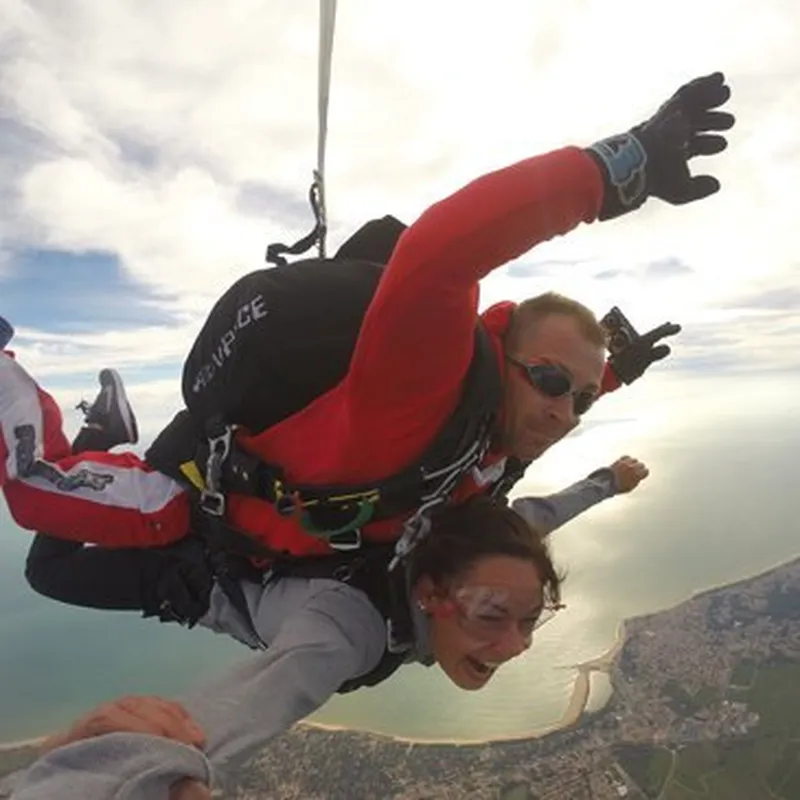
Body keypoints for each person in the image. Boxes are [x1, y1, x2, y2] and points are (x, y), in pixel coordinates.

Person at [0, 71, 730, 567]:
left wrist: (608, 376)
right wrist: (613, 171)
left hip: (273, 538)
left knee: (57, 575)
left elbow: (544, 400)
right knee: (36, 494)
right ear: (504, 358)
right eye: (550, 382)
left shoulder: (500, 432)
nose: (566, 411)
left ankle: (105, 435)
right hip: (189, 501)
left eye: (579, 397)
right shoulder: (427, 389)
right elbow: (442, 248)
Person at [4, 494, 577, 799]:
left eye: (531, 620)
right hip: (185, 575)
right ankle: (98, 440)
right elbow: (253, 700)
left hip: (226, 541)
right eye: (493, 615)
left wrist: (610, 481)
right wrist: (132, 776)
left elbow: (537, 514)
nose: (516, 644)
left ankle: (107, 453)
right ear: (428, 594)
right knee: (49, 573)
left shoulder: (455, 545)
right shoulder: (346, 634)